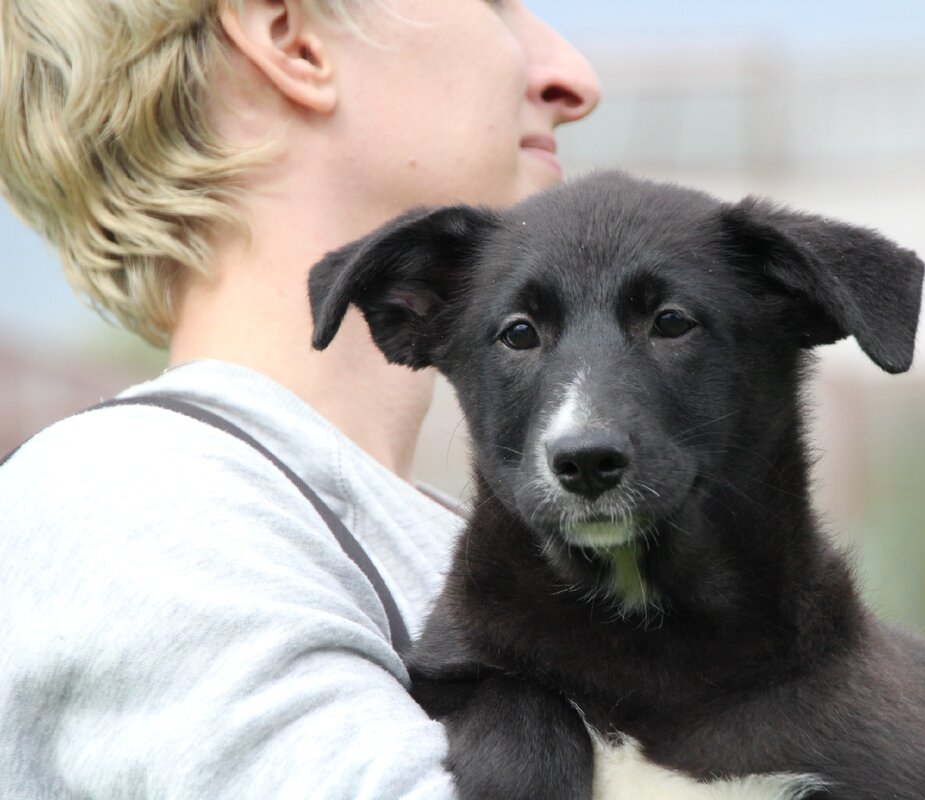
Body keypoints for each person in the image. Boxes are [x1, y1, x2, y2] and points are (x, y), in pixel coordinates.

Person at [0, 0, 600, 796]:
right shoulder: (137, 505)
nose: (575, 80)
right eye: (494, 6)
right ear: (293, 41)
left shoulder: (417, 533)